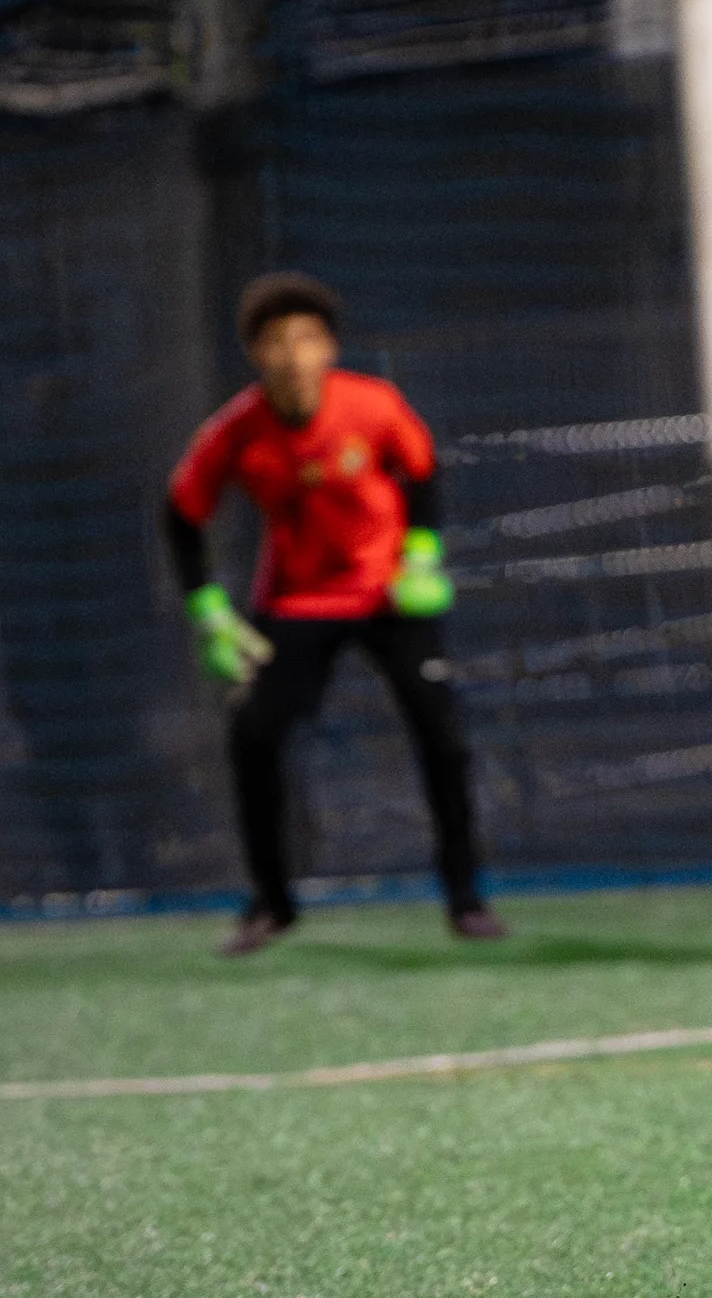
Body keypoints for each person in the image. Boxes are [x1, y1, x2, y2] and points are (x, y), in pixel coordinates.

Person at [165, 272, 505, 955]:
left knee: (444, 738)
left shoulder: (373, 405)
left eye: (307, 339)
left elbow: (422, 469)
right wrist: (209, 614)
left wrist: (422, 555)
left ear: (329, 348)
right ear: (255, 354)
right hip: (296, 602)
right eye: (276, 342)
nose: (293, 356)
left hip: (386, 597)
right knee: (252, 736)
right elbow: (181, 513)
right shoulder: (235, 432)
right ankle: (272, 905)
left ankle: (466, 899)